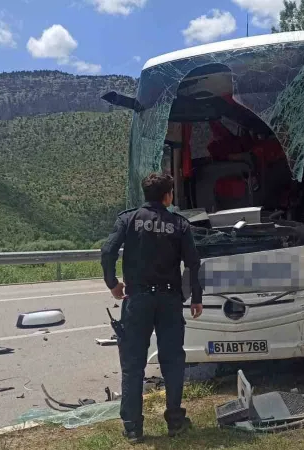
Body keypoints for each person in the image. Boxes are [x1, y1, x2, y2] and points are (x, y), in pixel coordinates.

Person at [100, 172, 203, 443]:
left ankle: (133, 427)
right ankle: (176, 421)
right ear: (168, 195)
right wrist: (196, 297)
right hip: (169, 301)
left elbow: (108, 250)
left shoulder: (128, 219)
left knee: (133, 365)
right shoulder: (179, 224)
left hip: (138, 300)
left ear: (146, 194)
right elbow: (193, 263)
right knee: (173, 362)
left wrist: (112, 284)